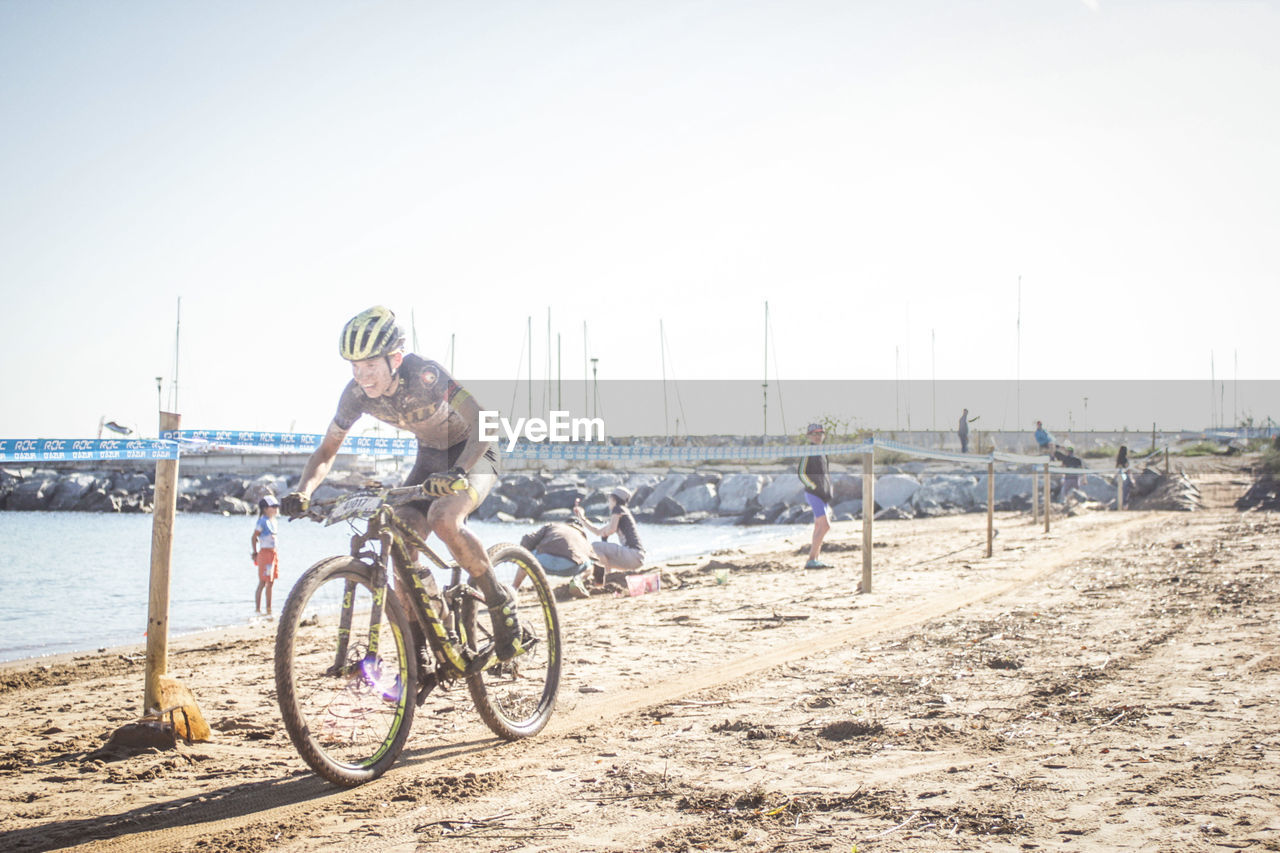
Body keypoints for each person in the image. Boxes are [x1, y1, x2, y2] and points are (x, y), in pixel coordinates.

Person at [279, 306, 522, 660]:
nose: (363, 377)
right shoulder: (355, 395)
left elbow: (485, 421)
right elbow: (327, 450)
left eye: (370, 366)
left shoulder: (424, 373)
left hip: (475, 452)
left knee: (443, 518)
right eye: (355, 368)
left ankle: (499, 603)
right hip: (431, 458)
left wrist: (458, 472)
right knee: (400, 540)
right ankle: (424, 641)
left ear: (395, 358)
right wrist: (304, 491)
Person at [573, 487, 645, 574]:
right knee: (596, 554)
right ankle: (606, 574)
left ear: (614, 499)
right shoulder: (623, 512)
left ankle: (607, 576)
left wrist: (605, 534)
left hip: (633, 554)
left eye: (609, 498)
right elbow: (598, 532)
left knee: (594, 547)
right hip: (636, 558)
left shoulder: (618, 509)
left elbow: (611, 530)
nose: (608, 501)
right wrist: (582, 518)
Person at [521, 517, 596, 599]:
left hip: (544, 563)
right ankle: (577, 580)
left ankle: (515, 588)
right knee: (590, 563)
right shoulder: (582, 535)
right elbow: (593, 556)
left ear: (565, 523)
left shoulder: (553, 526)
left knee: (525, 559)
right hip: (570, 567)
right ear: (581, 528)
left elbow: (528, 540)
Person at [798, 422, 834, 569]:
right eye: (814, 433)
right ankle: (812, 559)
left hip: (823, 495)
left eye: (820, 433)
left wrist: (827, 489)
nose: (818, 436)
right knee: (825, 526)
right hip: (814, 493)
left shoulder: (823, 452)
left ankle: (815, 558)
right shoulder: (808, 451)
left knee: (819, 525)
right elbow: (801, 473)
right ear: (809, 436)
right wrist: (813, 486)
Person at [251, 495, 281, 615]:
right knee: (263, 581)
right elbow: (254, 537)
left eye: (276, 506)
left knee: (271, 581)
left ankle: (269, 608)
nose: (275, 509)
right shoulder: (262, 521)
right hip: (265, 554)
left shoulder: (273, 521)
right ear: (265, 508)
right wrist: (255, 552)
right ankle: (258, 609)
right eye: (273, 506)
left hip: (273, 553)